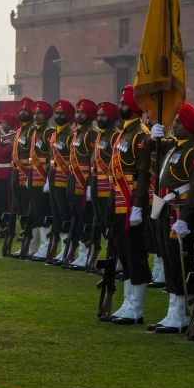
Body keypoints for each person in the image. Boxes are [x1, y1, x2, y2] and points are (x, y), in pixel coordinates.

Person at [148, 103, 194, 333]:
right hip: (164, 208)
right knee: (169, 261)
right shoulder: (174, 148)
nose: (175, 125)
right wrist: (152, 138)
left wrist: (186, 218)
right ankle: (173, 310)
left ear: (189, 128)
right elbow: (148, 148)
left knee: (179, 261)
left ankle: (180, 312)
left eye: (179, 122)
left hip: (179, 212)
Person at [102, 86, 152, 325]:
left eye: (123, 103)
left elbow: (143, 175)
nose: (119, 105)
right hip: (118, 202)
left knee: (135, 256)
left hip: (131, 203)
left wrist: (138, 206)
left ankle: (137, 308)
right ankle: (127, 302)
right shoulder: (124, 133)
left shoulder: (141, 135)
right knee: (123, 254)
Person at [66, 99, 97, 270]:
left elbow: (93, 160)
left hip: (84, 182)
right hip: (73, 180)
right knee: (76, 217)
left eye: (82, 112)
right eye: (77, 112)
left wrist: (91, 185)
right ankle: (80, 252)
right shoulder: (77, 132)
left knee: (85, 218)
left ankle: (87, 254)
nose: (78, 115)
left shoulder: (92, 133)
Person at [90, 102, 120, 272]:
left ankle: (117, 258)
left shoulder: (115, 136)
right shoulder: (100, 136)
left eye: (103, 115)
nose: (99, 118)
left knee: (111, 224)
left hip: (108, 186)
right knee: (102, 223)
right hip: (96, 184)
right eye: (98, 115)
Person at [47, 100, 75, 263]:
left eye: (62, 113)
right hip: (53, 178)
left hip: (64, 179)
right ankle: (59, 249)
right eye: (56, 113)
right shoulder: (55, 134)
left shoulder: (70, 134)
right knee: (56, 215)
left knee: (65, 214)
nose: (58, 116)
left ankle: (68, 248)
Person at [28, 101, 54, 260]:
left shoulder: (48, 131)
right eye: (35, 113)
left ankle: (46, 246)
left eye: (39, 113)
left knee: (44, 212)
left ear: (46, 116)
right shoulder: (34, 131)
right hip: (33, 175)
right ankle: (36, 245)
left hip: (43, 176)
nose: (36, 115)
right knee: (36, 212)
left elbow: (52, 157)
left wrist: (49, 179)